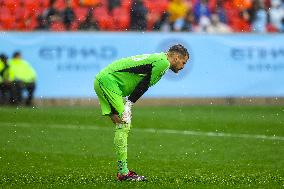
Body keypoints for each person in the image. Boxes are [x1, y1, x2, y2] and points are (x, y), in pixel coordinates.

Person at [94, 44, 189, 181]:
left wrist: (128, 103)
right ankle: (123, 173)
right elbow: (144, 84)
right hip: (109, 82)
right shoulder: (163, 63)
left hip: (106, 80)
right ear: (175, 57)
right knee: (124, 124)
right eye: (183, 62)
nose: (183, 66)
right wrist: (129, 104)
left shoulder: (159, 59)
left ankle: (123, 171)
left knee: (120, 123)